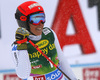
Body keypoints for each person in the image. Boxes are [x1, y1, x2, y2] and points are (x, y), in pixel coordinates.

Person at [12, 1, 77, 80]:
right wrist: (22, 46)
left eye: (42, 18)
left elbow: (62, 60)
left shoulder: (49, 33)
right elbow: (23, 74)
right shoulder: (17, 45)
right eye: (35, 19)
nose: (40, 23)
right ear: (24, 21)